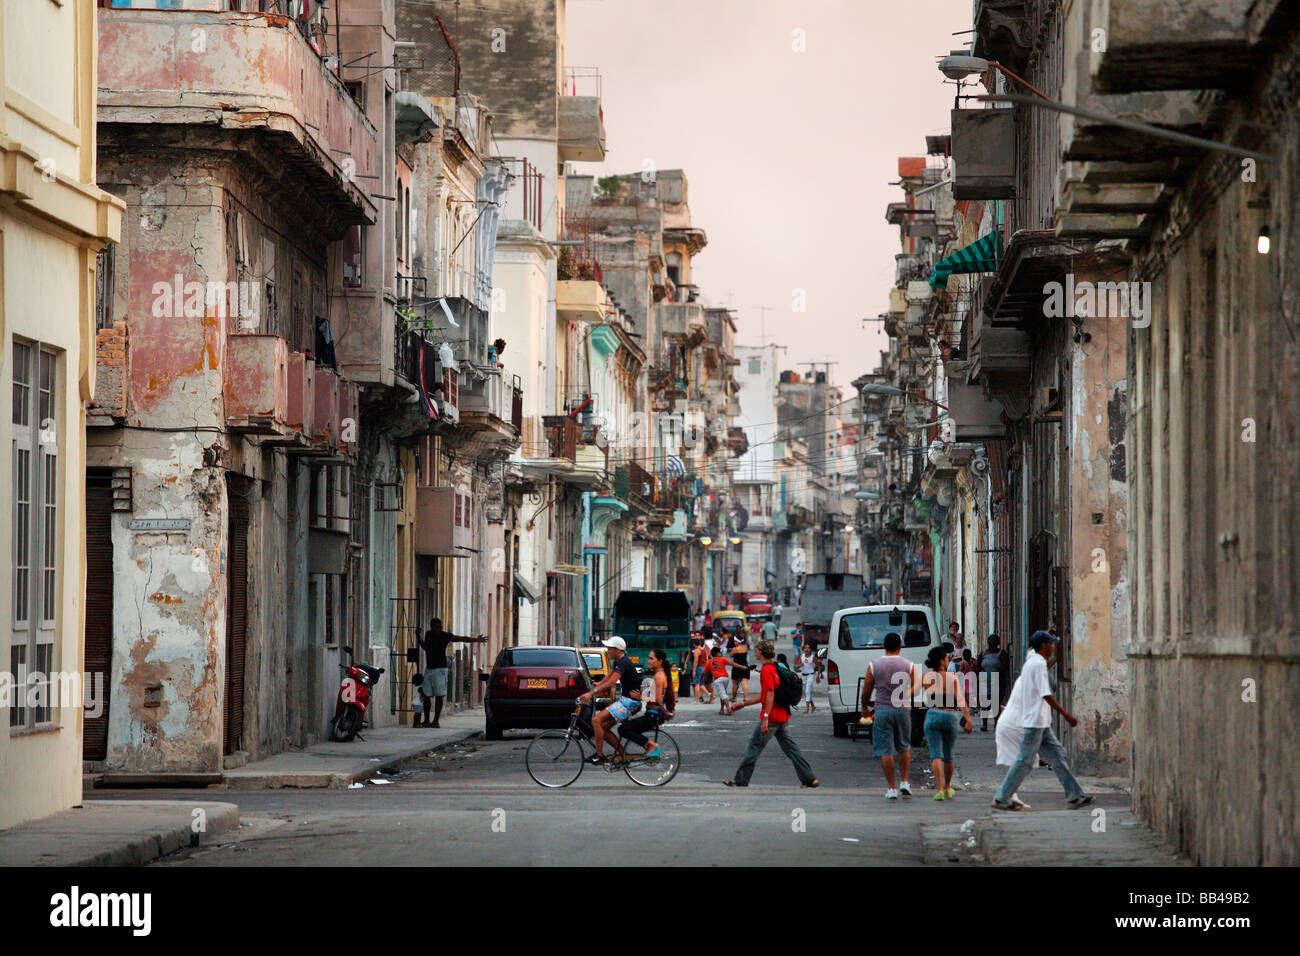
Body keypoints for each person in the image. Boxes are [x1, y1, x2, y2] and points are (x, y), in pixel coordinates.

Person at [991, 630, 1093, 811]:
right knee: (1024, 761)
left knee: (1058, 756)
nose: (1053, 647)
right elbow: (1046, 694)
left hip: (1041, 722)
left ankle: (1074, 795)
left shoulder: (1033, 662)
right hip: (1035, 721)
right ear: (1043, 646)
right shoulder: (1037, 664)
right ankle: (1002, 797)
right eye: (1051, 643)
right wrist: (1066, 715)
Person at [723, 639, 818, 788]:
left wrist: (766, 718)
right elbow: (764, 694)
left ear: (761, 652)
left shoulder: (767, 670)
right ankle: (809, 778)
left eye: (757, 649)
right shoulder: (774, 667)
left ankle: (740, 780)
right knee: (792, 750)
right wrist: (743, 704)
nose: (755, 651)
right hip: (782, 715)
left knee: (753, 747)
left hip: (772, 716)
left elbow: (770, 694)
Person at [860, 632, 921, 799]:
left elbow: (866, 690)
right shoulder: (909, 665)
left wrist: (864, 706)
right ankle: (905, 782)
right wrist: (906, 694)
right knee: (904, 745)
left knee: (885, 749)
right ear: (900, 646)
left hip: (883, 709)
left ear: (883, 646)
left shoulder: (874, 665)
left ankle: (892, 788)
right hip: (903, 710)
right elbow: (916, 687)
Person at [577, 636, 642, 765]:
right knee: (604, 728)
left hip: (630, 702)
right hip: (626, 701)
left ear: (618, 650)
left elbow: (612, 682)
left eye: (609, 648)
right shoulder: (618, 662)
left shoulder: (624, 662)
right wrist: (591, 690)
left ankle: (599, 755)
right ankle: (623, 756)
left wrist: (591, 693)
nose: (607, 650)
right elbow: (607, 678)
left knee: (596, 720)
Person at [921, 646, 973, 800]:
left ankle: (939, 790)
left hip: (933, 714)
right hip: (950, 716)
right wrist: (968, 719)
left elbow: (912, 692)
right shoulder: (952, 678)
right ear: (943, 660)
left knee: (936, 754)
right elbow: (961, 701)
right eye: (946, 657)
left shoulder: (926, 677)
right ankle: (948, 787)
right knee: (948, 755)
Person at [417, 618, 487, 727]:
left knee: (439, 696)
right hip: (429, 668)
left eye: (440, 627)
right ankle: (426, 720)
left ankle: (435, 721)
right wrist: (418, 636)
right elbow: (425, 647)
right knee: (426, 695)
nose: (438, 629)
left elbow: (460, 638)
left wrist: (475, 640)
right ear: (432, 627)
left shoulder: (445, 635)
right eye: (436, 627)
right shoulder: (428, 634)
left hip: (440, 669)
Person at [620, 648, 675, 758]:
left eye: (651, 658)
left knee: (623, 729)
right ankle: (647, 747)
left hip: (653, 715)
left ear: (659, 661)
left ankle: (651, 745)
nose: (648, 661)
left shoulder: (659, 676)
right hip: (651, 714)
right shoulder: (658, 675)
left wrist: (641, 697)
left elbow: (657, 699)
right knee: (627, 728)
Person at [976, 634, 1009, 730]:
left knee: (995, 703)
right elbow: (978, 665)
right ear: (988, 641)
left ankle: (996, 724)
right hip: (984, 679)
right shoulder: (983, 653)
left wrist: (998, 673)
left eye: (995, 640)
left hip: (996, 679)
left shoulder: (1001, 653)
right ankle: (984, 724)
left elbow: (1005, 664)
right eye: (991, 639)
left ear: (998, 642)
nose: (993, 641)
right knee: (984, 703)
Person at [728, 632, 751, 708]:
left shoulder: (735, 649)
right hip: (745, 666)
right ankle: (746, 698)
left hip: (737, 667)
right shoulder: (745, 647)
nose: (734, 643)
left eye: (735, 641)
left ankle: (734, 697)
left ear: (738, 641)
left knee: (735, 683)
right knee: (745, 682)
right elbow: (746, 654)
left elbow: (730, 656)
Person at [706, 647, 732, 713]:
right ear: (717, 653)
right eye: (720, 652)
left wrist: (704, 677)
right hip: (726, 678)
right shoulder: (723, 659)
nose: (720, 653)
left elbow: (705, 672)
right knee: (722, 693)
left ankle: (728, 709)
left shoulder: (709, 662)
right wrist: (743, 667)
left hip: (718, 679)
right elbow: (733, 664)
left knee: (722, 694)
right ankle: (722, 709)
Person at [798, 640, 818, 714]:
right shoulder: (802, 656)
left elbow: (818, 667)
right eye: (805, 648)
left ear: (811, 649)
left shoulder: (813, 657)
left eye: (808, 648)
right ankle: (813, 706)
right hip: (803, 676)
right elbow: (797, 665)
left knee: (807, 691)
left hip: (810, 675)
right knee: (807, 692)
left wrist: (818, 676)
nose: (806, 649)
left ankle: (807, 708)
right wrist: (800, 665)